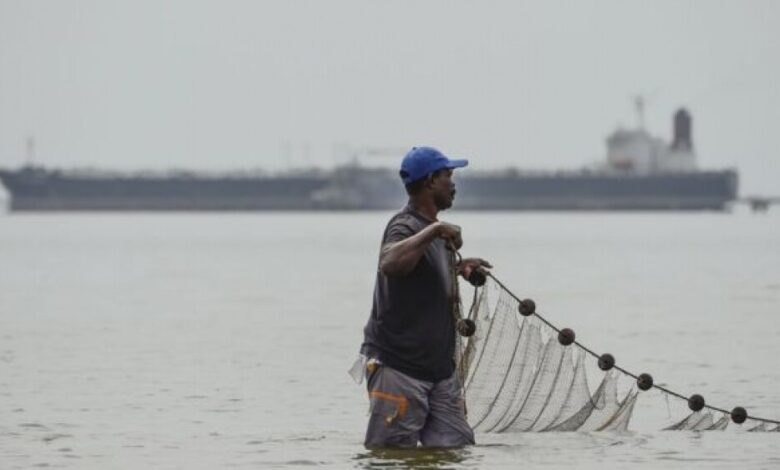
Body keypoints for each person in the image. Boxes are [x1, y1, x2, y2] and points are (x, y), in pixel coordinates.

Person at [359, 146, 492, 448]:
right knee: (390, 457)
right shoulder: (405, 225)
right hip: (400, 369)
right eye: (448, 176)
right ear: (431, 181)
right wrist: (434, 231)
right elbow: (390, 262)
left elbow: (420, 275)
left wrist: (459, 268)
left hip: (440, 374)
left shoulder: (434, 234)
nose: (453, 184)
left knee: (455, 451)